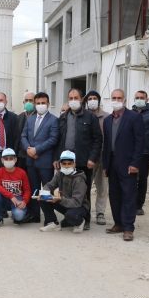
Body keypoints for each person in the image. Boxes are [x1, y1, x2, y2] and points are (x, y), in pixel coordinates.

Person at [56, 88, 102, 230]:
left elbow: (97, 139)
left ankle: (85, 219)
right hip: (66, 161)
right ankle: (70, 217)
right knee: (65, 191)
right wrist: (56, 159)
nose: (73, 100)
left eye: (76, 98)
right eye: (71, 98)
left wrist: (92, 158)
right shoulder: (63, 117)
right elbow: (59, 140)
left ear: (82, 99)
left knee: (84, 192)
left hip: (83, 161)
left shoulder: (90, 117)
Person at [102, 89, 144, 242]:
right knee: (114, 195)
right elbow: (106, 144)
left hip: (128, 164)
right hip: (112, 163)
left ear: (125, 100)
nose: (116, 100)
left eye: (119, 98)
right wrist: (105, 165)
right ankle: (118, 223)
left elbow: (140, 142)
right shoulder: (107, 121)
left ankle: (128, 228)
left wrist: (135, 163)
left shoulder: (134, 117)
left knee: (128, 195)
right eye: (114, 98)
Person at [21, 92, 59, 224]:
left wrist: (37, 150)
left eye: (43, 103)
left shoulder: (54, 120)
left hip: (45, 161)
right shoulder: (30, 119)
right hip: (31, 161)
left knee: (47, 189)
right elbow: (23, 136)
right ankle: (34, 215)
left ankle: (50, 218)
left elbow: (53, 139)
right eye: (38, 103)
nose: (40, 105)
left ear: (48, 104)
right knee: (33, 189)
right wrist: (28, 149)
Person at [39, 151, 89, 234]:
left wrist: (59, 199)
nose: (66, 166)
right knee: (43, 198)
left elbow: (77, 202)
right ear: (60, 164)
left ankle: (80, 221)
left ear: (74, 164)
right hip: (64, 201)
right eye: (64, 163)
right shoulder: (59, 174)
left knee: (71, 216)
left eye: (69, 164)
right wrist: (45, 193)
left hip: (79, 206)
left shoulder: (79, 179)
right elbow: (49, 185)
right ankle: (52, 222)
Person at [83, 90, 110, 225]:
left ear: (99, 101)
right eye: (90, 98)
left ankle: (100, 213)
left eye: (94, 98)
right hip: (88, 158)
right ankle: (85, 212)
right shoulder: (84, 116)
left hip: (103, 157)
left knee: (102, 187)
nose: (92, 100)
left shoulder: (106, 117)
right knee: (85, 186)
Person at [132, 90, 149, 216]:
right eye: (137, 97)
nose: (139, 99)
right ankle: (129, 203)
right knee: (130, 178)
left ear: (147, 99)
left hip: (144, 153)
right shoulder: (130, 113)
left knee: (142, 179)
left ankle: (139, 205)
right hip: (130, 152)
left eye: (141, 97)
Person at [0, 148, 31, 229]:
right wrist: (11, 196)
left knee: (19, 216)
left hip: (18, 199)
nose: (8, 160)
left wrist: (24, 201)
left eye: (11, 158)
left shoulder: (22, 172)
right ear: (2, 160)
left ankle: (17, 215)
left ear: (15, 160)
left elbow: (27, 190)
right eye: (6, 158)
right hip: (4, 198)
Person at [16, 91, 36, 170]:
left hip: (34, 155)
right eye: (26, 100)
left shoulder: (39, 117)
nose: (28, 103)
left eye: (31, 100)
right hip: (21, 156)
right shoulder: (19, 117)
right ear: (23, 102)